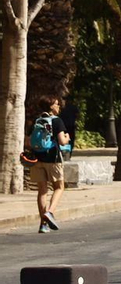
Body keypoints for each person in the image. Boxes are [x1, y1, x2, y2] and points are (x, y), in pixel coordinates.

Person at [25, 95, 70, 233]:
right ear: (51, 106)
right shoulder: (57, 121)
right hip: (53, 159)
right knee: (59, 187)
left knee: (42, 191)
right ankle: (50, 212)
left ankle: (43, 225)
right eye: (56, 104)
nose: (58, 106)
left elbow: (28, 141)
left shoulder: (37, 121)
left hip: (37, 159)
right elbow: (62, 141)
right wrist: (67, 138)